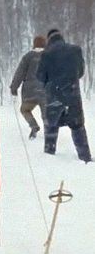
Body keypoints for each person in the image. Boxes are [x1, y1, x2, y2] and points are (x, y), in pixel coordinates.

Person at [36, 29, 92, 163]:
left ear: (49, 40)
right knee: (77, 126)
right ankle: (85, 157)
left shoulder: (46, 54)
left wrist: (51, 81)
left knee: (51, 126)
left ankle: (49, 155)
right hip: (72, 94)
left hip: (54, 96)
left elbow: (40, 76)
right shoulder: (75, 50)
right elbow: (80, 72)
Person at [10, 35, 47, 139]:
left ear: (34, 44)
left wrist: (14, 87)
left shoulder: (28, 57)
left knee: (25, 110)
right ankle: (49, 133)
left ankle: (34, 126)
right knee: (46, 115)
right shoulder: (49, 56)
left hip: (30, 91)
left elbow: (20, 73)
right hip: (45, 91)